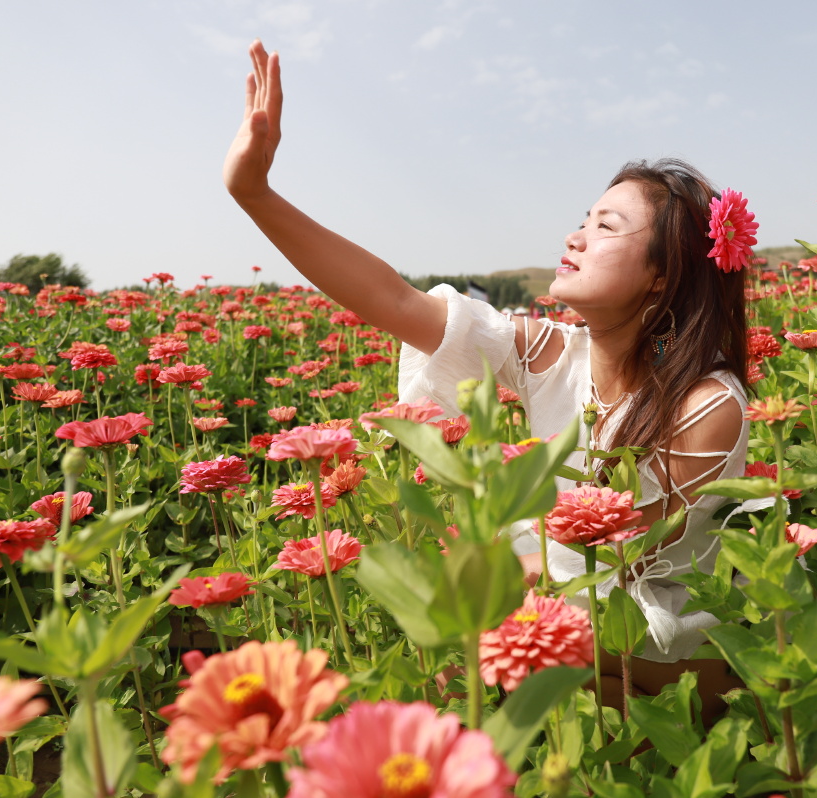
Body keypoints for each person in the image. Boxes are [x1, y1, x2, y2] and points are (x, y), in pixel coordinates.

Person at [224, 41, 750, 715]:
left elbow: (602, 555)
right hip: (563, 628)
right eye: (583, 219)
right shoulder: (551, 354)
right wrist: (254, 193)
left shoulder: (706, 405)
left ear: (662, 273)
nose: (577, 236)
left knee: (510, 683)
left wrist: (475, 562)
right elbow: (397, 302)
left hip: (657, 648)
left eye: (606, 226)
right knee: (483, 684)